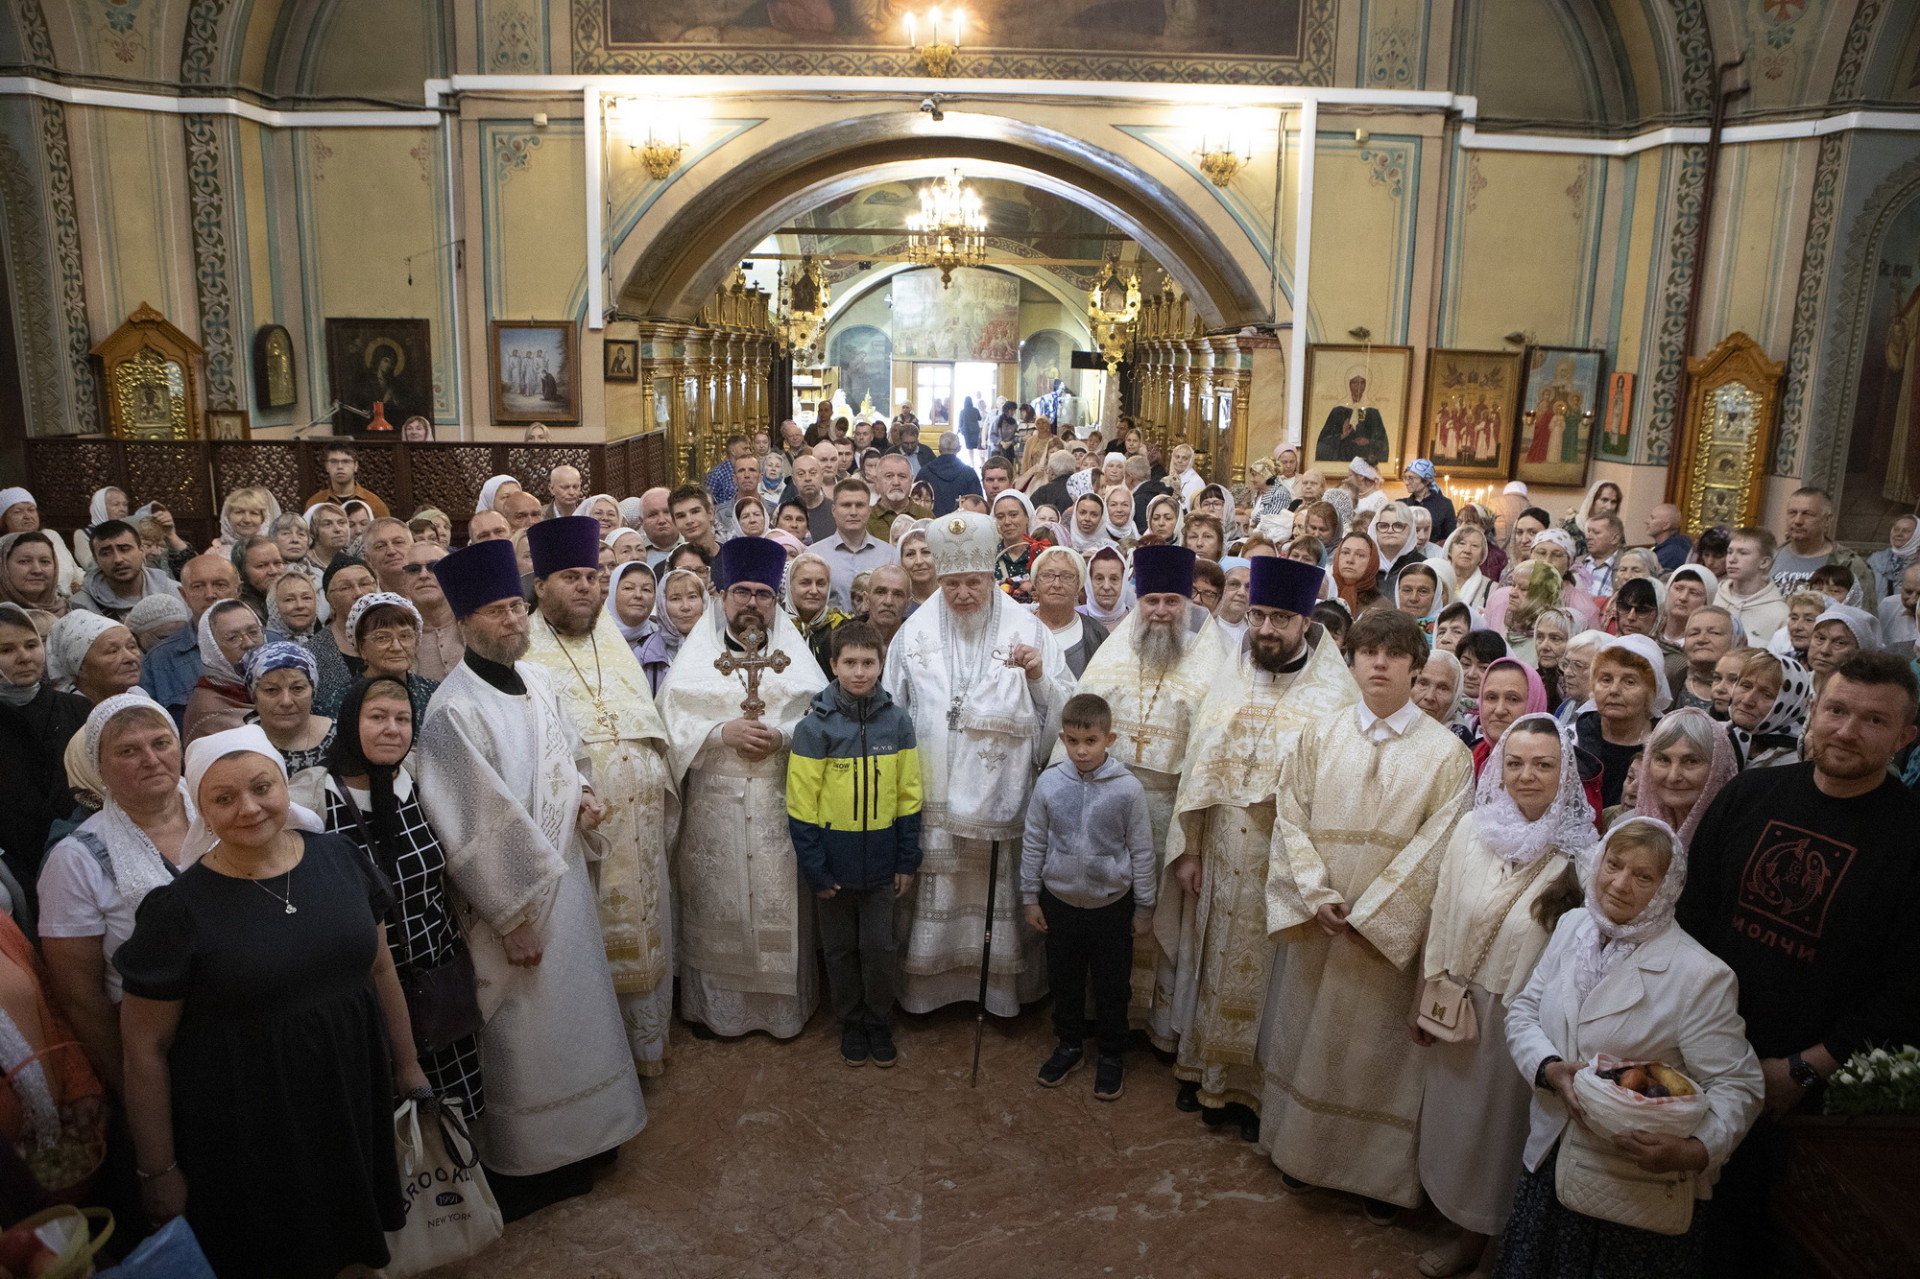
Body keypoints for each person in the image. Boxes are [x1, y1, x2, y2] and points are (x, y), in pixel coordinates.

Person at [116, 725, 423, 1278]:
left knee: (354, 1245)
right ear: (201, 810)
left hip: (351, 1093)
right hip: (251, 1126)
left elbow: (381, 968)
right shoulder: (176, 911)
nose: (249, 809)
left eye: (262, 788)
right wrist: (157, 1170)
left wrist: (407, 1064)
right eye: (224, 798)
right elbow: (145, 1047)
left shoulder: (340, 858)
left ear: (285, 785)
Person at [414, 537, 646, 1214]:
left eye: (516, 607)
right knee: (525, 1032)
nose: (512, 621)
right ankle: (534, 1164)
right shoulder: (452, 711)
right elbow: (470, 823)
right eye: (495, 612)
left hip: (565, 881)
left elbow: (565, 758)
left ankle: (594, 1135)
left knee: (578, 1015)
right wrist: (512, 916)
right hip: (510, 908)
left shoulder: (539, 680)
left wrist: (584, 794)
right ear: (464, 623)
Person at [1678, 651, 1920, 1273]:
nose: (1846, 730)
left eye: (1873, 721)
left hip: (1803, 1090)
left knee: (1758, 1245)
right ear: (1813, 709)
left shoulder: (1911, 837)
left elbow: (1908, 983)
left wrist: (1808, 1068)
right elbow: (1693, 916)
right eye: (1836, 709)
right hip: (1702, 1055)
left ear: (1906, 736)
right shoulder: (1749, 795)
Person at [1261, 609, 1471, 1221]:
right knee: (1310, 1038)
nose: (1380, 663)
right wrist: (1317, 895)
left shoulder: (1446, 756)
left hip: (1383, 942)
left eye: (1396, 654)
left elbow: (1439, 846)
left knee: (1374, 1055)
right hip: (1322, 926)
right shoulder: (1319, 736)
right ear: (1351, 661)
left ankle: (1373, 1178)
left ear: (1414, 666)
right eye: (1369, 652)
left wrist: (1374, 914)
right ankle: (1299, 1155)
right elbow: (1290, 818)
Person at [1160, 556, 1358, 1134]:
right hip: (1222, 850)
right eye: (1258, 616)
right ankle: (1204, 1073)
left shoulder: (1333, 697)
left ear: (1305, 622)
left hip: (1284, 862)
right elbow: (1199, 768)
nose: (1266, 630)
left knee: (1274, 981)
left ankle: (1255, 1092)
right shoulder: (1232, 675)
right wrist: (1191, 849)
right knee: (1213, 961)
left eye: (1280, 619)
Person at [1413, 715, 1590, 1279]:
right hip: (1457, 1003)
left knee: (1500, 1138)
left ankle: (1487, 1243)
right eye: (1514, 762)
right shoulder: (1473, 829)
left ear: (1566, 773)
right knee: (1456, 1125)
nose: (1526, 776)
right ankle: (1459, 1222)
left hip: (1521, 1018)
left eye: (1543, 764)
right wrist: (1429, 988)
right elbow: (1442, 910)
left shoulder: (1581, 855)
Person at [883, 510, 1071, 1016]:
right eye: (952, 583)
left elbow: (1063, 710)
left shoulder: (1028, 632)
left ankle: (998, 994)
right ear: (939, 579)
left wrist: (1035, 678)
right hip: (931, 795)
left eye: (973, 582)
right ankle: (928, 995)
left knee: (996, 894)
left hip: (999, 804)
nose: (963, 593)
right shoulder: (911, 635)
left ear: (992, 577)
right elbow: (891, 710)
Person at [522, 517, 678, 1074]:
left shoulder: (609, 639)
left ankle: (644, 1050)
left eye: (591, 576)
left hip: (637, 823)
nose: (585, 586)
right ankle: (598, 1059)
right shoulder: (524, 652)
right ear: (541, 586)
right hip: (577, 832)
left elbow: (645, 721)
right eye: (570, 576)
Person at [657, 537, 827, 1038]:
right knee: (718, 902)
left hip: (778, 803)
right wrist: (718, 732)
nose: (753, 603)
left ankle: (781, 1014)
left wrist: (782, 735)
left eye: (764, 594)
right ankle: (717, 1011)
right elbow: (668, 728)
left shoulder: (793, 658)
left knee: (779, 902)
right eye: (742, 592)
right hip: (714, 809)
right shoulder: (693, 660)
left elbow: (818, 719)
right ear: (721, 595)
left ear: (776, 602)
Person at [37, 691, 187, 1094]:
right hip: (163, 1051)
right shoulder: (75, 860)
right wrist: (130, 1086)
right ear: (98, 766)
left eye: (161, 742)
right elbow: (80, 997)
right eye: (127, 751)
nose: (151, 760)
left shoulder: (225, 809)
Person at [787, 621, 921, 1068]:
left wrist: (907, 859)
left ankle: (878, 1021)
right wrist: (816, 870)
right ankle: (850, 1022)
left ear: (882, 665)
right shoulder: (813, 729)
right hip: (833, 867)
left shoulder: (898, 723)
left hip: (883, 865)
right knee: (841, 951)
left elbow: (908, 796)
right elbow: (801, 808)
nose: (860, 672)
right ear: (833, 665)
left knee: (880, 948)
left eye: (868, 663)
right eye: (850, 663)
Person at [1022, 692, 1155, 1101]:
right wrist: (1030, 896)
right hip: (1059, 903)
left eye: (1091, 741)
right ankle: (1069, 1045)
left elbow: (1142, 849)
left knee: (1113, 986)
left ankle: (1112, 1054)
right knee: (1065, 981)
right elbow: (1033, 841)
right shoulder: (1049, 783)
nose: (1082, 751)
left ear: (1109, 738)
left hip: (1112, 907)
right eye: (1074, 741)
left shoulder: (1128, 789)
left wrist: (1145, 906)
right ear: (1062, 738)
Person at [0, 603, 89, 888]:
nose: (25, 657)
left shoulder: (76, 709)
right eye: (6, 650)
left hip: (84, 856)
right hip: (17, 865)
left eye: (31, 645)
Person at [1575, 636, 1667, 809]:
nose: (1614, 690)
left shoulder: (1665, 743)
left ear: (1651, 692)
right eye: (1606, 679)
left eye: (1629, 682)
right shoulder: (1574, 737)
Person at [241, 641, 333, 812]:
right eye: (271, 690)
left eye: (297, 688)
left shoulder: (342, 737)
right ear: (254, 696)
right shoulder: (240, 748)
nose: (286, 701)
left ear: (313, 693)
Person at [1771, 487, 1878, 608]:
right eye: (1792, 513)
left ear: (1827, 520)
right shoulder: (1770, 557)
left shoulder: (1849, 564)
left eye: (1807, 514)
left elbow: (1864, 618)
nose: (1797, 520)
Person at [346, 591, 438, 726]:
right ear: (361, 648)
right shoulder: (343, 699)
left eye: (405, 636)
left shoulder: (433, 693)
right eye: (382, 638)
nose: (396, 647)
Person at [179, 597, 261, 743]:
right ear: (213, 650)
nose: (249, 643)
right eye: (233, 638)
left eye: (253, 632)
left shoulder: (275, 682)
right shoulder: (207, 711)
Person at [71, 519, 183, 620]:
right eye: (106, 553)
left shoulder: (174, 592)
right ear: (96, 559)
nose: (118, 559)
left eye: (125, 549)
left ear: (141, 551)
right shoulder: (82, 605)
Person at [308, 555, 376, 716]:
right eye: (345, 588)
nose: (359, 593)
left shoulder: (399, 637)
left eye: (365, 583)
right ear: (329, 599)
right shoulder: (313, 653)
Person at [1723, 650, 1811, 769]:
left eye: (1766, 694)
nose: (1747, 700)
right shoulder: (1713, 735)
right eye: (1746, 686)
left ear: (1790, 707)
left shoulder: (1797, 763)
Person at [1029, 546, 1107, 677]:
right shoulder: (1020, 629)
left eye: (1067, 576)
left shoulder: (1096, 633)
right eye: (1048, 575)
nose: (1057, 584)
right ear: (1036, 582)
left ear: (1078, 585)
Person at [1674, 606, 1741, 711]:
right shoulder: (1672, 679)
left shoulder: (1748, 689)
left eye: (1714, 633)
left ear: (1735, 640)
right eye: (1694, 633)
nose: (1701, 639)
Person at [303, 442, 391, 519]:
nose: (340, 466)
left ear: (355, 466)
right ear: (326, 466)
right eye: (333, 461)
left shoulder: (374, 503)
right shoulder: (315, 503)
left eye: (345, 461)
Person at [919, 431, 983, 516]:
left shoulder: (925, 473)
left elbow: (916, 504)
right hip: (962, 525)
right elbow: (978, 505)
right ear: (959, 448)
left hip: (932, 524)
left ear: (939, 448)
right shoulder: (969, 474)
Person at [1403, 459, 1457, 545]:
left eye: (1411, 478)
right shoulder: (1402, 504)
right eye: (1405, 478)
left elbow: (1451, 538)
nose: (1406, 482)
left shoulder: (1444, 505)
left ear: (1426, 480)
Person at [1646, 503, 1693, 573]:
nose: (1646, 521)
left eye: (1652, 518)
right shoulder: (1661, 547)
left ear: (1666, 525)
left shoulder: (1672, 554)